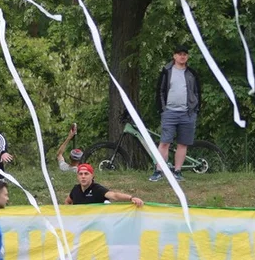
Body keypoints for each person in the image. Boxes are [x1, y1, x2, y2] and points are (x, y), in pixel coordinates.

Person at [151, 44, 201, 182]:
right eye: (179, 54)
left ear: (187, 56)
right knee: (165, 142)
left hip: (188, 113)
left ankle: (177, 171)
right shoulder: (166, 71)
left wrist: (196, 108)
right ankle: (159, 170)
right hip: (169, 112)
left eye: (184, 54)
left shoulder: (192, 73)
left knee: (183, 143)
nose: (182, 56)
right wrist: (163, 109)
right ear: (174, 56)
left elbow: (197, 92)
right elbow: (160, 90)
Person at [66, 164, 144, 206]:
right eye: (80, 174)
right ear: (77, 176)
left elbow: (114, 196)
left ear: (92, 176)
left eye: (86, 174)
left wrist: (131, 198)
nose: (83, 176)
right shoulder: (75, 189)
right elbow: (67, 202)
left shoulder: (97, 189)